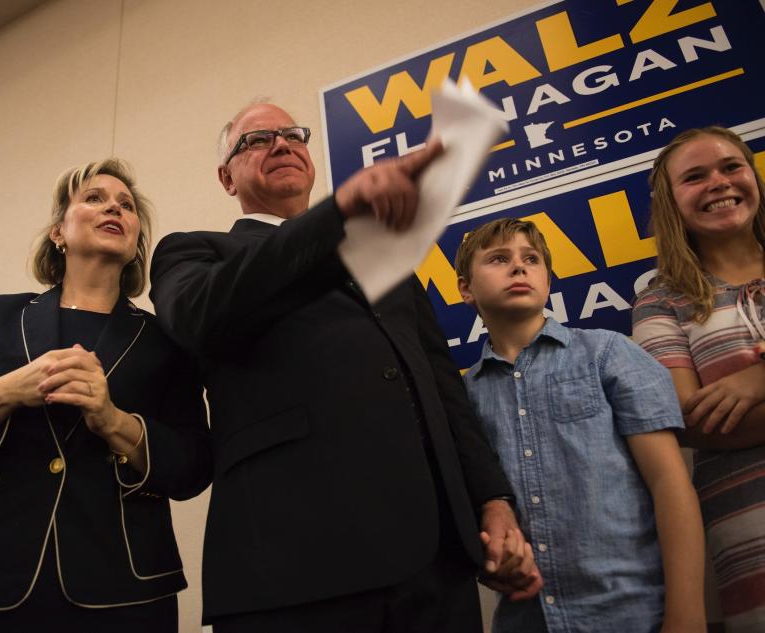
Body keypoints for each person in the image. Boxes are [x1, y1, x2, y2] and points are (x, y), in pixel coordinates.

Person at [149, 101, 539, 632]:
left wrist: (492, 500)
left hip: (435, 568)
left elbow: (441, 387)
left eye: (293, 135)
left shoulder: (386, 260)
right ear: (226, 177)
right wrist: (335, 217)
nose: (282, 144)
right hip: (296, 574)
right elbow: (201, 316)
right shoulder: (194, 252)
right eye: (257, 139)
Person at [0, 159, 211, 632]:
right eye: (93, 198)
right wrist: (5, 390)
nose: (114, 207)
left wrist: (114, 422)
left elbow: (192, 467)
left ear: (134, 245)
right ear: (58, 233)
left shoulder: (167, 340)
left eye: (126, 206)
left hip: (122, 594)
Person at [456, 217, 705, 633]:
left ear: (548, 280)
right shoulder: (464, 397)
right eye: (499, 259)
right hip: (525, 620)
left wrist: (688, 616)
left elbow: (669, 482)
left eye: (531, 259)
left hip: (634, 614)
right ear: (465, 288)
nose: (519, 268)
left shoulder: (608, 354)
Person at [632, 126, 765, 631]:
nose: (718, 182)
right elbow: (692, 422)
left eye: (731, 166)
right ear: (670, 201)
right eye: (694, 176)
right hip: (752, 535)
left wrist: (756, 381)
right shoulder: (659, 301)